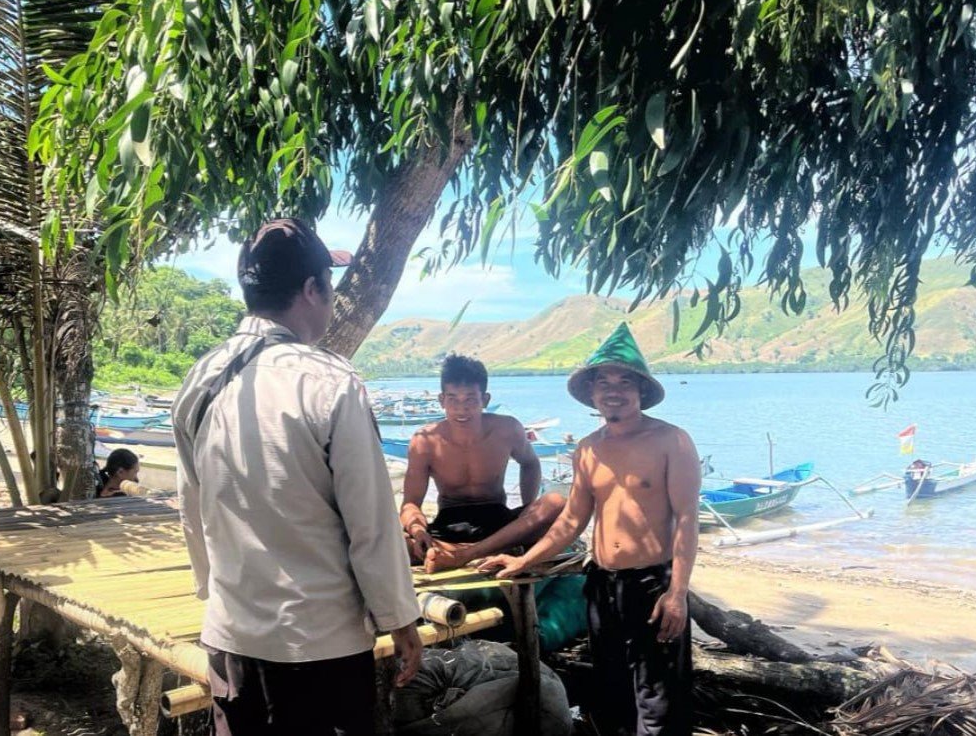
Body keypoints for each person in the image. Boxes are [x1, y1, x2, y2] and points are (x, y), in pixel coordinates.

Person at [172, 218, 422, 736]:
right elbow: (370, 522)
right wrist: (399, 617)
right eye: (329, 288)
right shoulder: (329, 382)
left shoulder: (201, 377)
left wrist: (212, 594)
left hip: (233, 638)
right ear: (312, 289)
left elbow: (191, 508)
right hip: (320, 642)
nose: (331, 302)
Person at [477, 323, 701, 736]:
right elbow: (571, 520)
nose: (613, 390)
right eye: (603, 381)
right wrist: (524, 559)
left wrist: (677, 593)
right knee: (611, 692)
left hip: (653, 584)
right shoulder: (588, 448)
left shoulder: (672, 441)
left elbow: (688, 519)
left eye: (624, 381)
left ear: (640, 390)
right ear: (593, 393)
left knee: (659, 701)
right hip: (602, 584)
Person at [399, 354, 566, 572]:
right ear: (441, 400)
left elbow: (530, 463)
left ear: (485, 400)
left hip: (500, 521)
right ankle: (489, 549)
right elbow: (410, 503)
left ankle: (465, 554)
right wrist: (419, 531)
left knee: (557, 502)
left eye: (470, 399)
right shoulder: (424, 441)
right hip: (449, 525)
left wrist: (527, 511)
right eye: (453, 399)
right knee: (393, 539)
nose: (462, 409)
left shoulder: (507, 429)